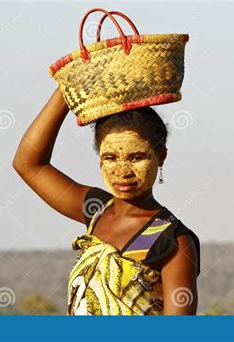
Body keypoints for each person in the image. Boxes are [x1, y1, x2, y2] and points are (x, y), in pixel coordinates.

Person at [13, 87, 200, 315]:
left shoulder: (172, 240)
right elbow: (28, 163)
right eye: (110, 158)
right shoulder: (97, 210)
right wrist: (67, 88)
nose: (123, 171)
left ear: (160, 156)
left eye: (136, 157)